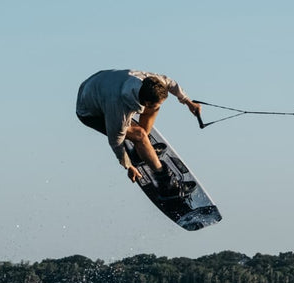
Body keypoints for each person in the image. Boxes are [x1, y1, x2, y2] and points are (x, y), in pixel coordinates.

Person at [76, 69, 201, 197]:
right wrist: (128, 165)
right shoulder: (119, 111)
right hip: (89, 112)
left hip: (96, 83)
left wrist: (188, 102)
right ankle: (167, 185)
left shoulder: (148, 80)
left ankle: (140, 151)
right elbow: (115, 142)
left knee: (155, 108)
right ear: (146, 102)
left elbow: (170, 83)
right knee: (139, 135)